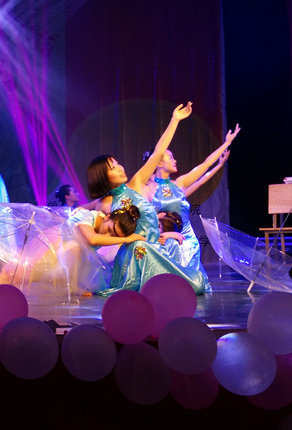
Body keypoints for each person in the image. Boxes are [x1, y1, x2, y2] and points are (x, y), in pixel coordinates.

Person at [86, 102, 208, 296]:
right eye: (113, 167)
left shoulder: (136, 183)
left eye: (117, 163)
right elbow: (94, 234)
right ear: (103, 177)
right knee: (185, 287)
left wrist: (175, 120)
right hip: (139, 251)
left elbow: (158, 152)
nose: (120, 168)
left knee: (196, 284)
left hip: (155, 247)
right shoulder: (107, 203)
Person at [145, 124, 240, 292]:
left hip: (189, 239)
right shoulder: (148, 189)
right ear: (158, 162)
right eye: (170, 157)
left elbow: (204, 166)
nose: (175, 160)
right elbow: (145, 219)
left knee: (194, 287)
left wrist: (226, 144)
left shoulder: (179, 184)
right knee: (172, 285)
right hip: (166, 240)